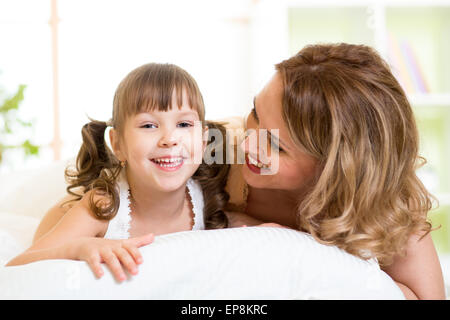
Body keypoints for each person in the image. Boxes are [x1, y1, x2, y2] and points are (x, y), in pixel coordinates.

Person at [224, 43, 446, 299]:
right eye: (255, 112)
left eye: (276, 146)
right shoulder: (212, 148)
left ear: (335, 169)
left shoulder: (386, 202)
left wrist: (302, 249)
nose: (247, 143)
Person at [6, 63, 229, 282]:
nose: (169, 139)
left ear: (202, 141)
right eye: (149, 126)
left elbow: (239, 221)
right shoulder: (101, 207)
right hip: (64, 215)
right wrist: (78, 246)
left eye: (183, 124)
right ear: (118, 143)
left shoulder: (205, 196)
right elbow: (16, 266)